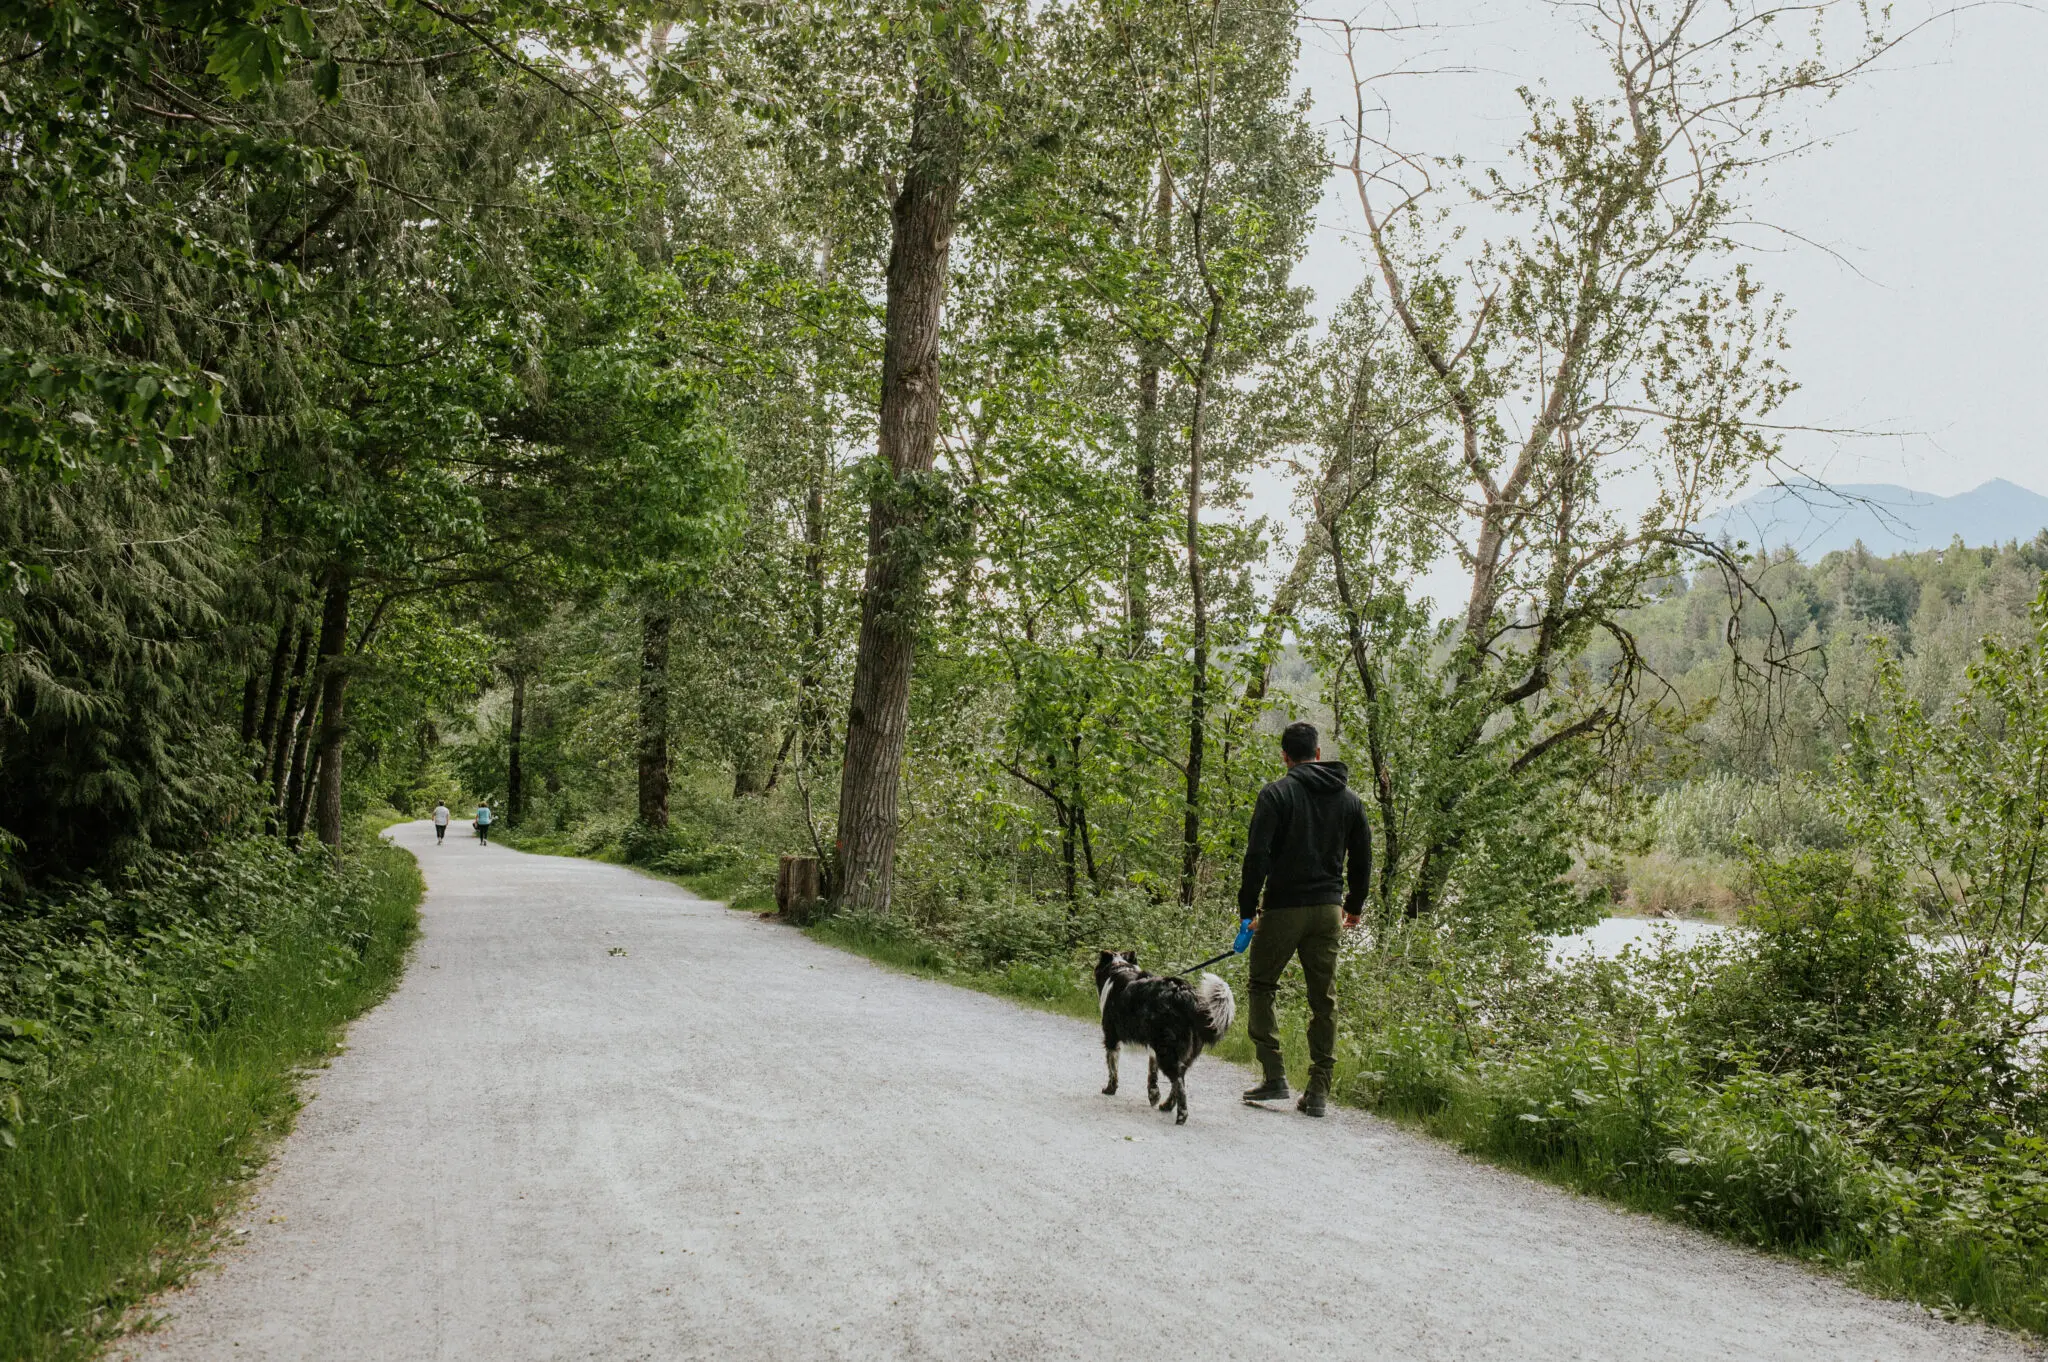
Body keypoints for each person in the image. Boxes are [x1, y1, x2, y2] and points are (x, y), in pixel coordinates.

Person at [1236, 721, 1370, 1118]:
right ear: (1317, 752)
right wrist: (1355, 905)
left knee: (1262, 985)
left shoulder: (1277, 794)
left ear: (1285, 756)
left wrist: (1247, 910)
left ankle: (1275, 1075)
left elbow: (1256, 856)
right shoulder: (1351, 800)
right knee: (1323, 999)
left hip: (1283, 907)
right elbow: (1363, 859)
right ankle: (1318, 1091)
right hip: (1329, 910)